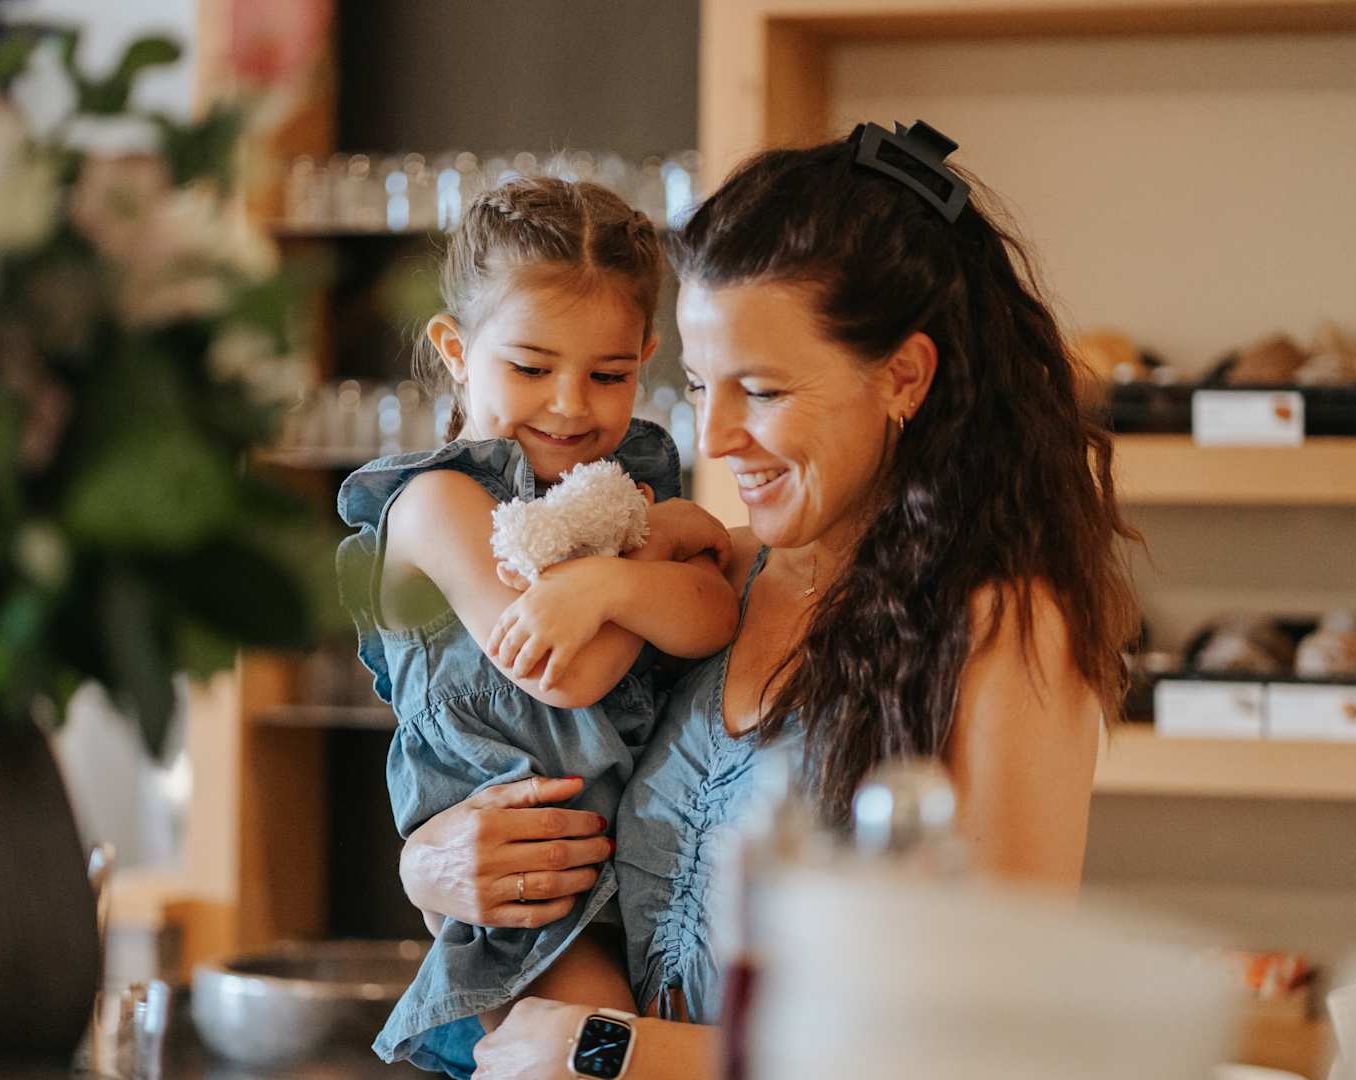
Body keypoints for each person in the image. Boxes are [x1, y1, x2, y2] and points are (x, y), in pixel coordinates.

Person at [394, 122, 1141, 1079]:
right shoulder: (710, 577)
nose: (714, 436)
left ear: (904, 377)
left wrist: (616, 1052)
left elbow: (999, 1046)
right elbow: (524, 779)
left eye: (762, 391)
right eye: (698, 385)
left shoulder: (1001, 629)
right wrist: (432, 867)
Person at [336, 176, 739, 1078]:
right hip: (534, 895)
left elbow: (714, 614)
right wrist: (640, 562)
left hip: (637, 864)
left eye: (609, 375)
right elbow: (565, 672)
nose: (569, 405)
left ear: (647, 357)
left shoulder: (623, 490)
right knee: (577, 1051)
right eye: (530, 367)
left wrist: (621, 576)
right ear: (455, 350)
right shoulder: (438, 503)